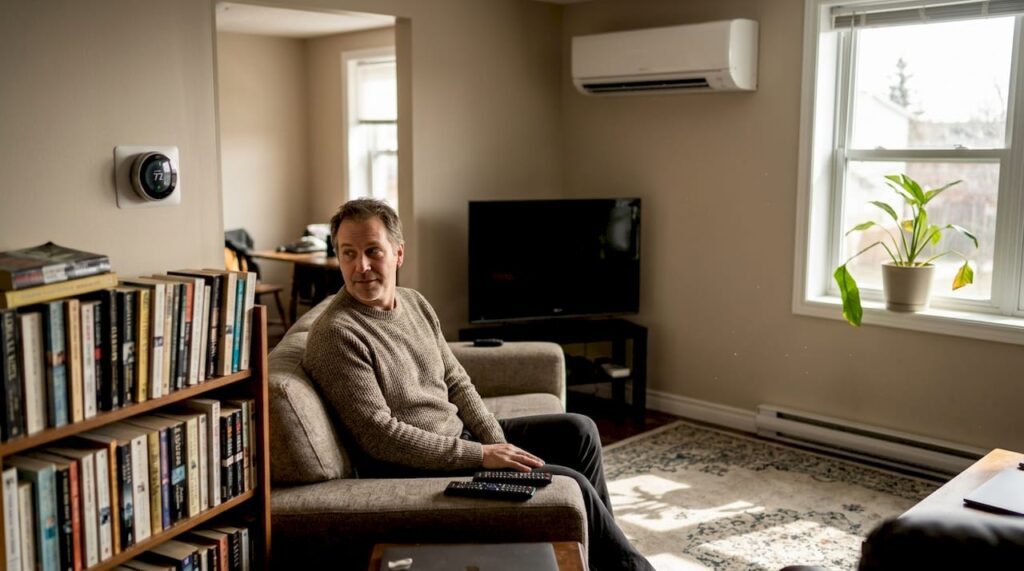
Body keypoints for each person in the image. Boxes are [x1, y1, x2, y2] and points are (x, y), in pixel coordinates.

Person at [302, 198, 654, 571]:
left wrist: (496, 443)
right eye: (348, 253)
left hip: (462, 442)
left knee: (580, 431)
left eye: (373, 251)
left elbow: (456, 380)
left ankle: (602, 559)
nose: (361, 266)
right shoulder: (336, 334)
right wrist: (483, 457)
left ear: (399, 253)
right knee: (573, 485)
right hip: (416, 469)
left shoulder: (414, 303)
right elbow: (380, 436)